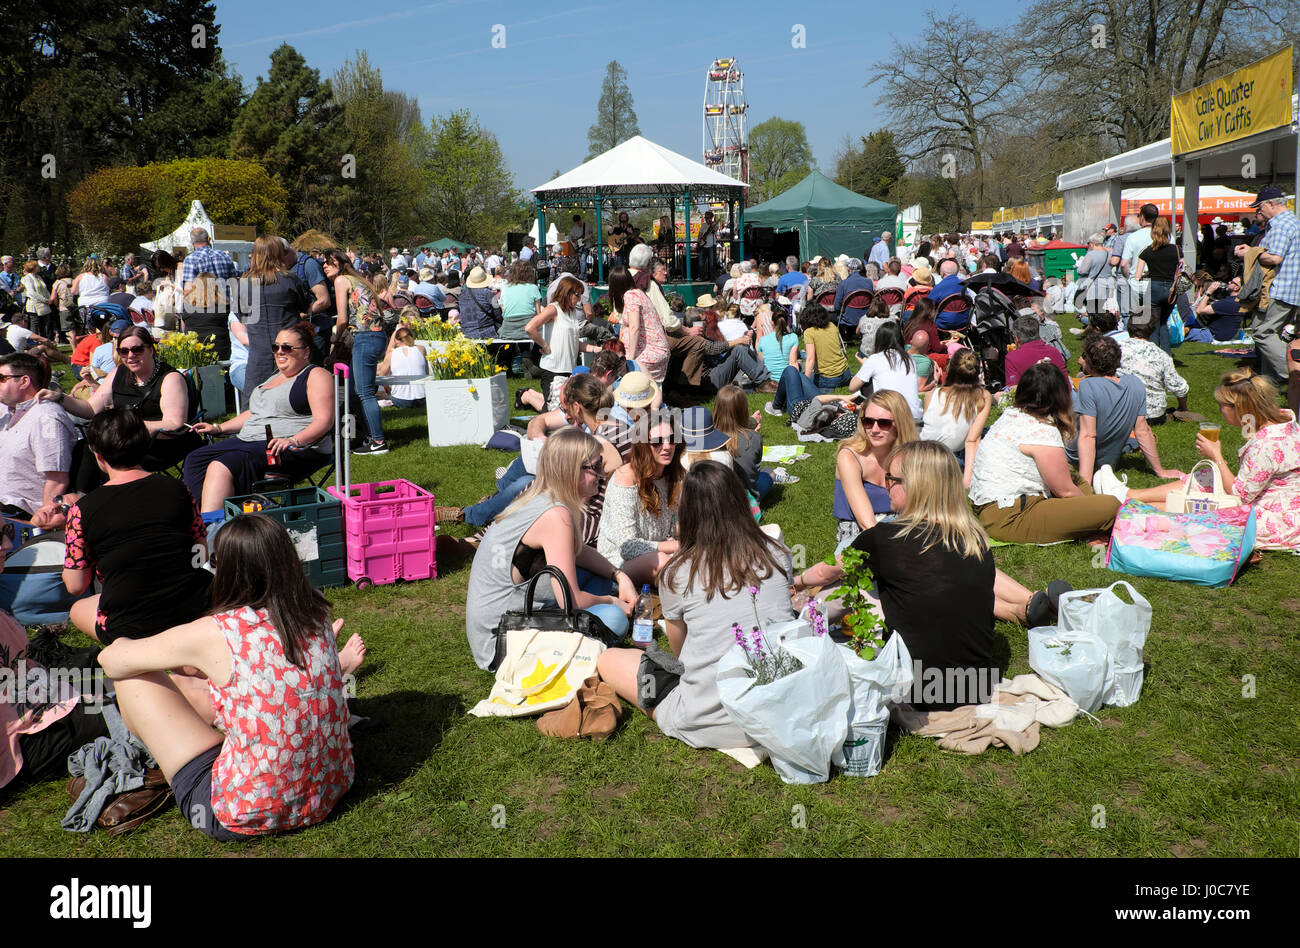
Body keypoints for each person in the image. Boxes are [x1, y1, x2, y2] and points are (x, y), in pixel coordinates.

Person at [98, 514, 356, 840]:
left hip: (242, 812)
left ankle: (150, 766)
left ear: (228, 568)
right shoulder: (315, 611)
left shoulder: (217, 631)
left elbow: (111, 663)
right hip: (331, 788)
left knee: (133, 678)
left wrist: (125, 642)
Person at [794, 442, 1069, 710]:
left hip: (917, 692)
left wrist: (795, 582)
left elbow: (823, 571)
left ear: (916, 487)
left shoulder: (883, 539)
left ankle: (795, 623)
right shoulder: (975, 540)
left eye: (892, 479)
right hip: (973, 687)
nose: (886, 485)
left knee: (850, 586)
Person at [596, 459, 793, 749]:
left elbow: (681, 654)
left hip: (708, 721)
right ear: (739, 500)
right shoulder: (777, 553)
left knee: (609, 659)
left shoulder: (678, 573)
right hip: (778, 712)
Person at [464, 428, 636, 671]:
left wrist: (619, 575)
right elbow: (573, 600)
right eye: (595, 467)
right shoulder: (556, 515)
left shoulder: (546, 497)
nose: (602, 474)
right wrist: (613, 602)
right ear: (570, 470)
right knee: (614, 619)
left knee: (598, 578)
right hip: (503, 643)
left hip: (500, 622)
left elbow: (578, 551)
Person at [1093, 369, 1300, 552]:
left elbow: (1241, 495)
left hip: (1277, 519)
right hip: (1283, 505)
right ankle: (1127, 495)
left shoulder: (1266, 446)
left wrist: (1216, 456)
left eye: (1222, 406)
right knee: (1207, 477)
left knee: (1206, 507)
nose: (1219, 411)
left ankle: (1125, 508)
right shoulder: (1286, 419)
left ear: (1240, 408)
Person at [60, 409, 213, 645]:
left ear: (97, 455)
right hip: (193, 607)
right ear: (146, 445)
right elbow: (200, 550)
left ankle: (137, 651)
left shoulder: (82, 510)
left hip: (130, 621)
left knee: (78, 609)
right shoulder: (177, 489)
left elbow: (75, 585)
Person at [184, 323, 333, 520]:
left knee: (222, 465)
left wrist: (293, 440)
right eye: (276, 347)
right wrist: (218, 427)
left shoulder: (315, 375)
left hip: (292, 448)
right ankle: (199, 522)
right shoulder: (274, 377)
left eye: (287, 348)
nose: (280, 352)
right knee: (195, 459)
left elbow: (324, 421)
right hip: (251, 440)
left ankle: (216, 530)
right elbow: (255, 413)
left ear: (305, 352)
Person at [968, 363, 1120, 544]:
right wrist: (1092, 512)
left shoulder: (1012, 414)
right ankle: (1094, 523)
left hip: (994, 508)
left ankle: (1086, 524)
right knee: (1111, 506)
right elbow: (1065, 492)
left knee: (1077, 481)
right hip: (1012, 517)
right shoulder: (1042, 430)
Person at [45, 326, 201, 493]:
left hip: (161, 443)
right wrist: (59, 397)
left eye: (137, 349)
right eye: (124, 351)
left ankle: (102, 499)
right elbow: (90, 408)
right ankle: (79, 500)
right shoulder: (120, 372)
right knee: (85, 447)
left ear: (150, 349)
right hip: (122, 439)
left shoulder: (170, 378)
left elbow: (174, 423)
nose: (130, 356)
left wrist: (127, 426)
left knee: (108, 451)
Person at [1068, 334, 1182, 485]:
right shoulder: (1135, 384)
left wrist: (1085, 482)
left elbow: (1088, 435)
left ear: (1089, 360)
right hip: (1108, 461)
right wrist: (1160, 471)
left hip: (1077, 456)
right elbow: (1143, 431)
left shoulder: (1087, 386)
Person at [597, 415, 684, 587]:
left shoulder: (673, 475)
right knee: (662, 563)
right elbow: (628, 547)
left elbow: (677, 525)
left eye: (672, 439)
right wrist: (675, 546)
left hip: (661, 551)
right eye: (658, 442)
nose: (667, 447)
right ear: (643, 445)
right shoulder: (625, 478)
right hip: (617, 564)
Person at [321, 249, 390, 455]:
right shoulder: (357, 279)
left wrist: (335, 338)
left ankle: (378, 442)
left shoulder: (341, 280)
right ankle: (367, 435)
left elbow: (342, 319)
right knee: (355, 391)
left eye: (328, 262)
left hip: (365, 338)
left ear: (340, 264)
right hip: (376, 337)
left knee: (364, 392)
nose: (324, 266)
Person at [834, 390, 919, 551]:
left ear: (900, 423)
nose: (874, 429)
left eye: (884, 423)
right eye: (868, 421)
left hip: (903, 524)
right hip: (859, 532)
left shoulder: (910, 456)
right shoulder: (850, 456)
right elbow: (867, 524)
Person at [1235, 185, 1300, 385]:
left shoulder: (1280, 224)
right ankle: (1268, 385)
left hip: (1280, 288)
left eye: (1260, 207)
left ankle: (1293, 373)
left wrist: (1250, 253)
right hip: (1290, 289)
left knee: (1262, 332)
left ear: (1271, 204)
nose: (1258, 211)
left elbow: (1274, 258)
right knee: (1273, 336)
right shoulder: (1292, 221)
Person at [234, 235, 310, 402]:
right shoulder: (290, 279)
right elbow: (305, 307)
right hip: (288, 351)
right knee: (292, 401)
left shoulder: (244, 283)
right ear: (278, 254)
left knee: (255, 404)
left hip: (259, 353)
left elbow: (242, 316)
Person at [0, 353, 74, 523]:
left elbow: (57, 479)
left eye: (2, 378)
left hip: (18, 513)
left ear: (24, 381)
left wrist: (39, 526)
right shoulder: (7, 410)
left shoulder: (46, 417)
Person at [920, 348, 991, 484]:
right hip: (949, 459)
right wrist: (967, 481)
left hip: (923, 454)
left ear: (950, 369)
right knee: (987, 433)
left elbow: (931, 426)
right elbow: (972, 440)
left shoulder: (932, 394)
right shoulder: (982, 396)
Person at [526, 273, 591, 412]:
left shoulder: (571, 312)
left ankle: (527, 394)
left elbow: (574, 342)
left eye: (580, 295)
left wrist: (597, 349)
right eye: (577, 295)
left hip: (569, 369)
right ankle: (525, 396)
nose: (579, 300)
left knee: (566, 410)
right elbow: (530, 328)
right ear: (567, 293)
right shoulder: (553, 309)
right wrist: (545, 345)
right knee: (554, 412)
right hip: (553, 370)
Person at [1118, 308, 1191, 424]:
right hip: (1152, 416)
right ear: (1152, 330)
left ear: (1129, 326)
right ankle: (1175, 412)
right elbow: (1180, 388)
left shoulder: (1115, 349)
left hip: (1120, 412)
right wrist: (1183, 408)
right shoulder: (1162, 355)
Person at [712, 384, 776, 502]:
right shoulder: (754, 438)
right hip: (745, 503)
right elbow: (753, 474)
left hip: (715, 501)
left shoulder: (708, 436)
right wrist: (751, 434)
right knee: (769, 473)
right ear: (743, 409)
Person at [849, 321, 923, 422]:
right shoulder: (909, 359)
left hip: (889, 419)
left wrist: (865, 365)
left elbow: (852, 387)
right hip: (915, 416)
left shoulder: (875, 359)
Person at [609, 265, 668, 383]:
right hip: (652, 349)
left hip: (650, 352)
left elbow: (634, 327)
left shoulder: (631, 296)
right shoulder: (637, 293)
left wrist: (630, 357)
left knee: (620, 372)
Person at [1133, 215, 1180, 353]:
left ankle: (1154, 353)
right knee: (1164, 322)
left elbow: (1137, 276)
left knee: (1153, 323)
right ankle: (1167, 354)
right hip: (1172, 289)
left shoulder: (1147, 252)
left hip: (1154, 288)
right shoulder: (1177, 250)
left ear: (1153, 231)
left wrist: (1148, 274)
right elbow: (1180, 269)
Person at [1004, 313, 1067, 387]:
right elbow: (1066, 385)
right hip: (1058, 396)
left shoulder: (1012, 358)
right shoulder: (1054, 351)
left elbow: (1012, 390)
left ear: (1016, 339)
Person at [378, 324, 428, 408]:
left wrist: (387, 388)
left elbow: (381, 375)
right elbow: (426, 373)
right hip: (422, 398)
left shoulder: (391, 354)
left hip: (401, 400)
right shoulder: (421, 349)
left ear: (396, 341)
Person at [458, 266, 502, 340]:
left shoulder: (462, 295)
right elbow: (498, 315)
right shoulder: (489, 294)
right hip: (487, 334)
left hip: (466, 334)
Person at [756, 311, 799, 381]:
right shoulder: (793, 337)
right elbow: (793, 363)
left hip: (769, 381)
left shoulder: (762, 340)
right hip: (787, 380)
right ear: (786, 323)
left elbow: (761, 363)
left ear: (772, 323)